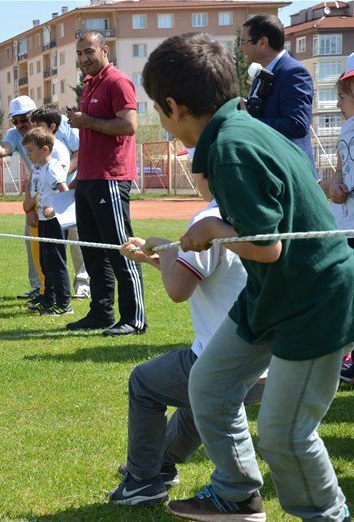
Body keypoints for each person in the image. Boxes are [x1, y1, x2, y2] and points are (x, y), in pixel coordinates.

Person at [142, 32, 353, 521]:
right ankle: (236, 493)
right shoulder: (235, 129)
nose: (161, 119)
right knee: (209, 384)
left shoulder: (231, 146)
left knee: (285, 434)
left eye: (158, 109)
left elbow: (266, 246)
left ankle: (329, 516)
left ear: (172, 106)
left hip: (314, 303)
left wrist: (213, 230)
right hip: (271, 296)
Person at [109, 173, 265, 507]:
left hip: (227, 361)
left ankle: (142, 482)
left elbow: (178, 290)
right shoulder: (261, 211)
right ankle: (159, 465)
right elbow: (203, 275)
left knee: (145, 382)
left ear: (206, 175)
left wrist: (166, 248)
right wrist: (153, 257)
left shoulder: (209, 220)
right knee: (192, 392)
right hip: (273, 364)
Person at [66, 31, 146, 336]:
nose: (84, 58)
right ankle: (100, 313)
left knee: (120, 249)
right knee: (93, 250)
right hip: (88, 179)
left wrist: (86, 121)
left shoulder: (117, 81)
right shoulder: (90, 84)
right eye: (79, 53)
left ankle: (135, 318)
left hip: (110, 178)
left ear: (104, 50)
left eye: (89, 51)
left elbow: (128, 125)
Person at [0, 96, 83, 300]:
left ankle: (81, 286)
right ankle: (41, 288)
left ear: (35, 117)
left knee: (75, 239)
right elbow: (5, 148)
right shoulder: (15, 134)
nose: (20, 125)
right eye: (15, 121)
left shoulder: (60, 124)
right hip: (41, 196)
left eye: (23, 119)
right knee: (38, 245)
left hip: (69, 190)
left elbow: (81, 151)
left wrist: (59, 176)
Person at [30, 107, 90, 300]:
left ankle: (64, 300)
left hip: (57, 211)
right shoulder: (42, 151)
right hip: (46, 212)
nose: (34, 129)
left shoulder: (55, 152)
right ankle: (50, 297)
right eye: (33, 125)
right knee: (49, 258)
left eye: (39, 125)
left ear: (52, 127)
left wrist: (58, 207)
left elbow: (60, 183)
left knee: (62, 255)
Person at [320, 53, 354, 383]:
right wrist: (334, 185)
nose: (337, 104)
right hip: (344, 226)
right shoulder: (346, 128)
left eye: (342, 97)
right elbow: (342, 171)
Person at [240, 14, 314, 163]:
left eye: (243, 42)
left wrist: (249, 122)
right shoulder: (263, 73)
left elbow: (297, 125)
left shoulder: (293, 72)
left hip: (291, 169)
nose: (241, 49)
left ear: (262, 42)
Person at [22, 127, 73, 316]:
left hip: (54, 223)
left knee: (56, 263)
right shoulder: (39, 168)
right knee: (45, 262)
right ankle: (48, 300)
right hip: (43, 221)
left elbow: (65, 192)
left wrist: (55, 210)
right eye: (26, 150)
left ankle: (64, 304)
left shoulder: (52, 168)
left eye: (30, 150)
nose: (28, 154)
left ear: (45, 149)